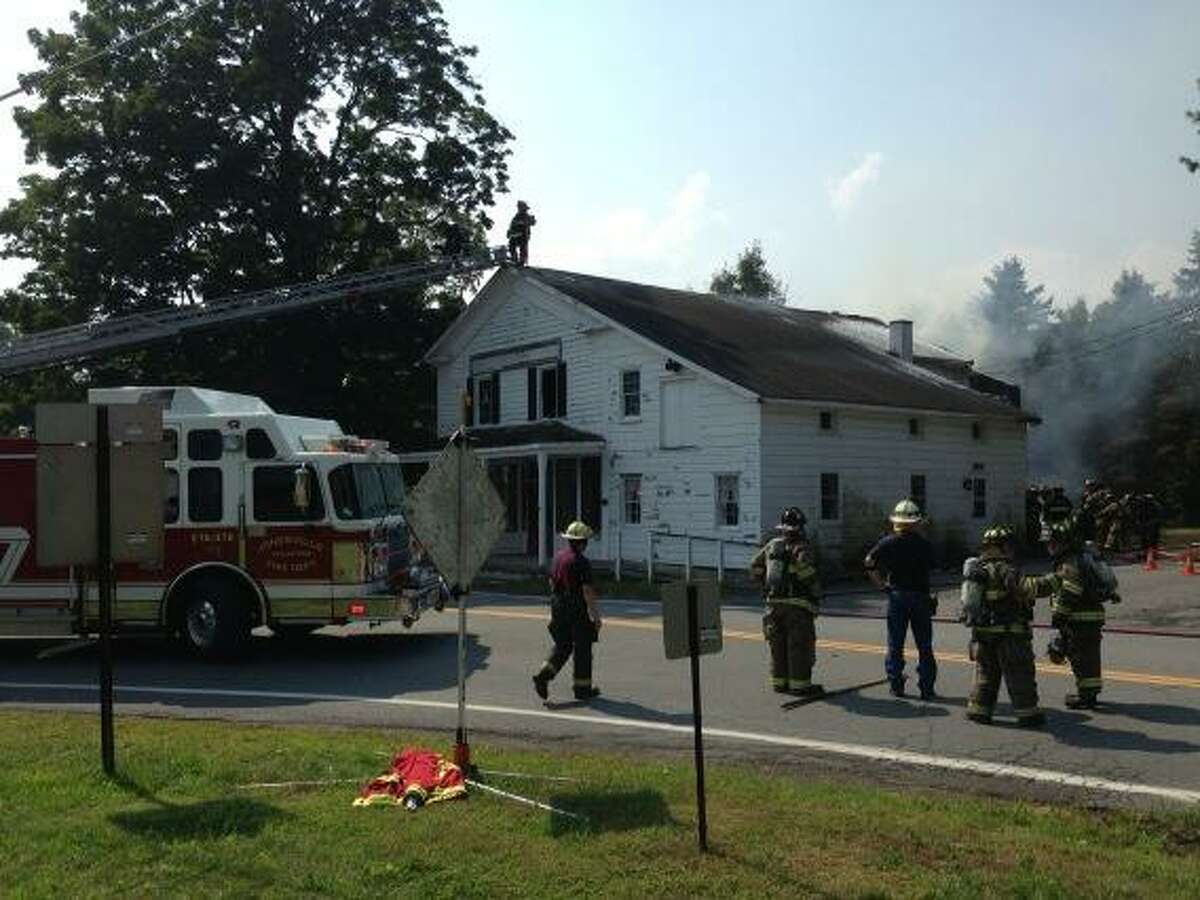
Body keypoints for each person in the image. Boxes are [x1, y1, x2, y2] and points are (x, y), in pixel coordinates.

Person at [960, 525, 1044, 727]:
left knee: (986, 673)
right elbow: (1023, 591)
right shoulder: (1007, 569)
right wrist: (1053, 582)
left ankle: (979, 711)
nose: (1012, 549)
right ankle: (1028, 715)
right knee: (1019, 674)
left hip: (982, 634)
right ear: (1003, 546)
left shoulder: (978, 571)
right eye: (1009, 545)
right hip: (1010, 634)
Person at [1024, 516, 1110, 709]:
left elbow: (1070, 589)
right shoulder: (1077, 557)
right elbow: (1053, 584)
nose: (1049, 547)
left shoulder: (1071, 560)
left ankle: (1086, 697)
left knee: (1082, 659)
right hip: (1088, 617)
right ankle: (1089, 694)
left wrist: (1059, 614)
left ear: (1065, 542)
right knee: (1087, 657)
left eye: (1053, 543)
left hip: (1079, 618)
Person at [864, 498, 937, 699]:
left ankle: (896, 684)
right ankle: (927, 688)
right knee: (924, 645)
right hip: (920, 597)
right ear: (916, 521)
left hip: (897, 597)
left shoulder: (888, 542)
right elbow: (934, 566)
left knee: (895, 644)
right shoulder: (925, 544)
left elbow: (869, 560)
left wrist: (880, 584)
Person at [749, 507, 823, 697]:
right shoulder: (803, 547)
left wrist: (764, 586)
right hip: (798, 607)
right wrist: (816, 591)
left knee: (777, 646)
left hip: (773, 606)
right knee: (798, 647)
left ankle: (779, 683)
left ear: (782, 527)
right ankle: (800, 686)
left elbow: (755, 566)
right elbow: (809, 576)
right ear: (800, 528)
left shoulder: (772, 545)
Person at [532, 520, 602, 702]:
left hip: (557, 604)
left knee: (563, 645)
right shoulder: (581, 562)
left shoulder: (558, 557)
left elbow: (550, 581)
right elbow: (587, 591)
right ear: (581, 542)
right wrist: (596, 618)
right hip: (575, 607)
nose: (586, 544)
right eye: (585, 540)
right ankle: (582, 689)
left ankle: (543, 676)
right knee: (583, 647)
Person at [506, 201, 536, 267]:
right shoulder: (516, 216)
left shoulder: (526, 216)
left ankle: (522, 261)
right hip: (514, 235)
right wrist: (509, 232)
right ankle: (514, 260)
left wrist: (524, 222)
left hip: (523, 235)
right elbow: (512, 225)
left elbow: (532, 222)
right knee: (511, 247)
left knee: (523, 249)